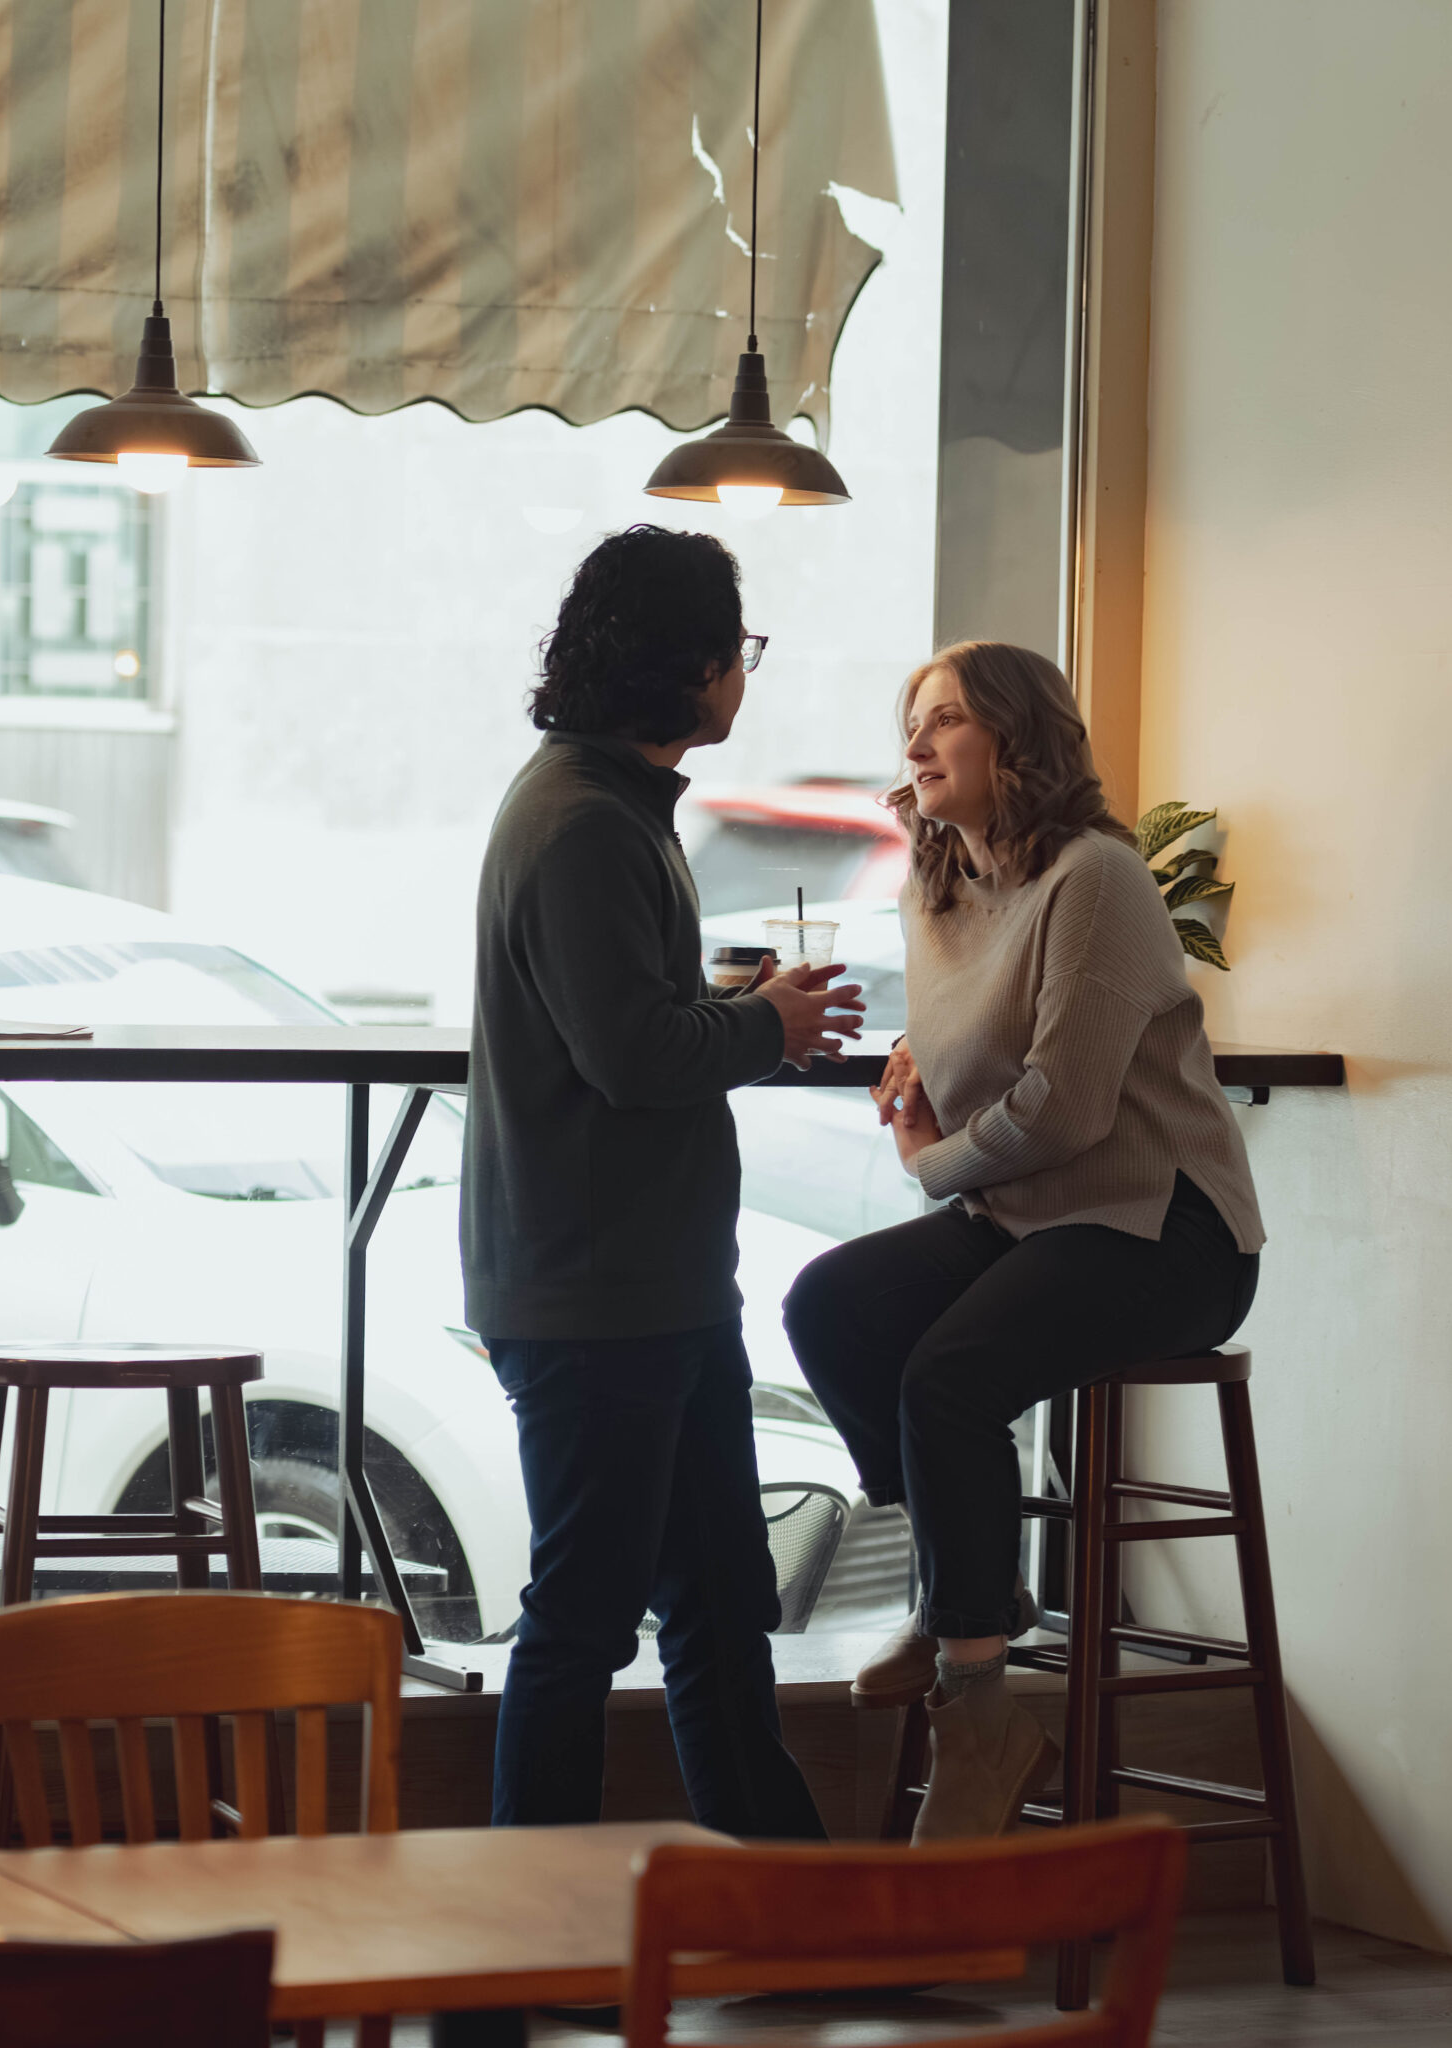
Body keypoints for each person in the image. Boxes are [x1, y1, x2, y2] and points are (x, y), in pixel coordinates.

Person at [781, 640, 1265, 1842]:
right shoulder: (940, 886)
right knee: (829, 1307)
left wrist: (931, 1162)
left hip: (1166, 1227)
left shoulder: (1096, 878)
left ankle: (984, 1710)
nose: (916, 742)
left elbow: (1068, 1103)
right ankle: (975, 1587)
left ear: (1020, 740)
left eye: (945, 719)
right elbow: (971, 1050)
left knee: (949, 1375)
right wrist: (916, 1068)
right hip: (1033, 1216)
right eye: (912, 721)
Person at [463, 523, 863, 1836]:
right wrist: (770, 1028)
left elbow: (624, 1026)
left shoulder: (605, 803)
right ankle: (543, 1937)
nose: (743, 674)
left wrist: (741, 1011)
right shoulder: (583, 822)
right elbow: (630, 1056)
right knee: (584, 1622)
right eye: (737, 650)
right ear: (684, 665)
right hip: (598, 1293)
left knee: (716, 1600)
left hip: (652, 1285)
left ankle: (779, 1899)